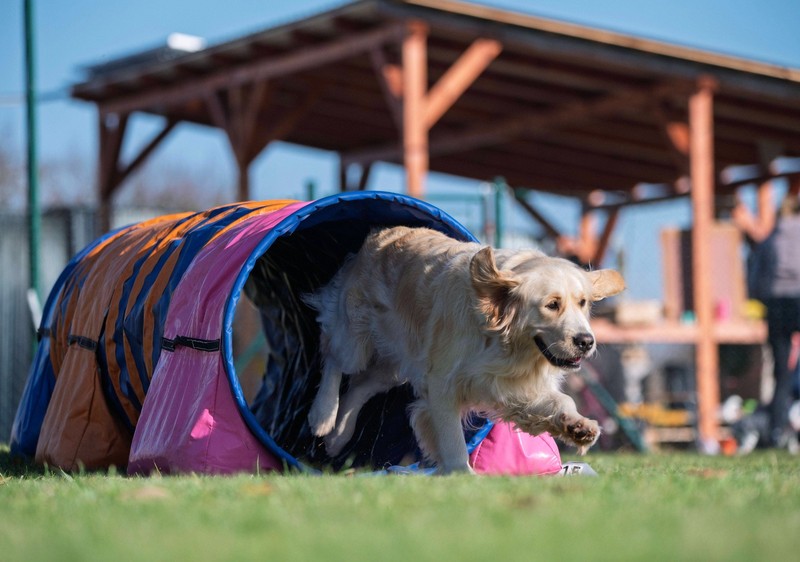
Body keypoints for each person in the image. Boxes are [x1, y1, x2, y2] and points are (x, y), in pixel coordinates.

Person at [732, 176, 800, 451]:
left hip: (776, 304)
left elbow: (755, 278)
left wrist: (761, 299)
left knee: (781, 372)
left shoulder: (770, 239)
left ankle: (775, 431)